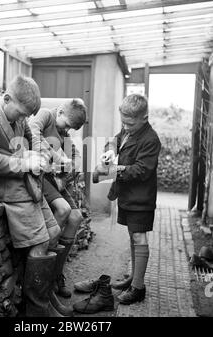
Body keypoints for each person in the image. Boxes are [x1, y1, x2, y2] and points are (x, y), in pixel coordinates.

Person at [0, 75, 72, 317]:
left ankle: (47, 295)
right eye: (22, 113)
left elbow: (33, 139)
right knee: (39, 243)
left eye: (27, 115)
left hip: (26, 185)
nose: (24, 119)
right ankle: (38, 310)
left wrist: (43, 156)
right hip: (5, 187)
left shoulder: (19, 116)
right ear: (6, 99)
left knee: (54, 232)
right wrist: (24, 162)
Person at [73, 94, 161, 313]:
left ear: (144, 118)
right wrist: (110, 150)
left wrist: (111, 171)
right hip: (128, 196)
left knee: (139, 237)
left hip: (141, 199)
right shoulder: (129, 130)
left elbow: (142, 170)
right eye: (123, 122)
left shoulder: (151, 139)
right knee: (133, 236)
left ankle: (138, 288)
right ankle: (134, 277)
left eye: (130, 123)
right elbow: (116, 138)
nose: (125, 126)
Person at [29, 98, 86, 298]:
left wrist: (71, 166)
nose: (67, 131)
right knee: (64, 210)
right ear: (60, 112)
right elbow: (32, 132)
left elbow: (76, 155)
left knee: (76, 218)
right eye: (68, 125)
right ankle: (45, 274)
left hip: (55, 179)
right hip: (39, 175)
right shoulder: (46, 115)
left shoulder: (63, 131)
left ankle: (56, 274)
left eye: (71, 129)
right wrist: (56, 156)